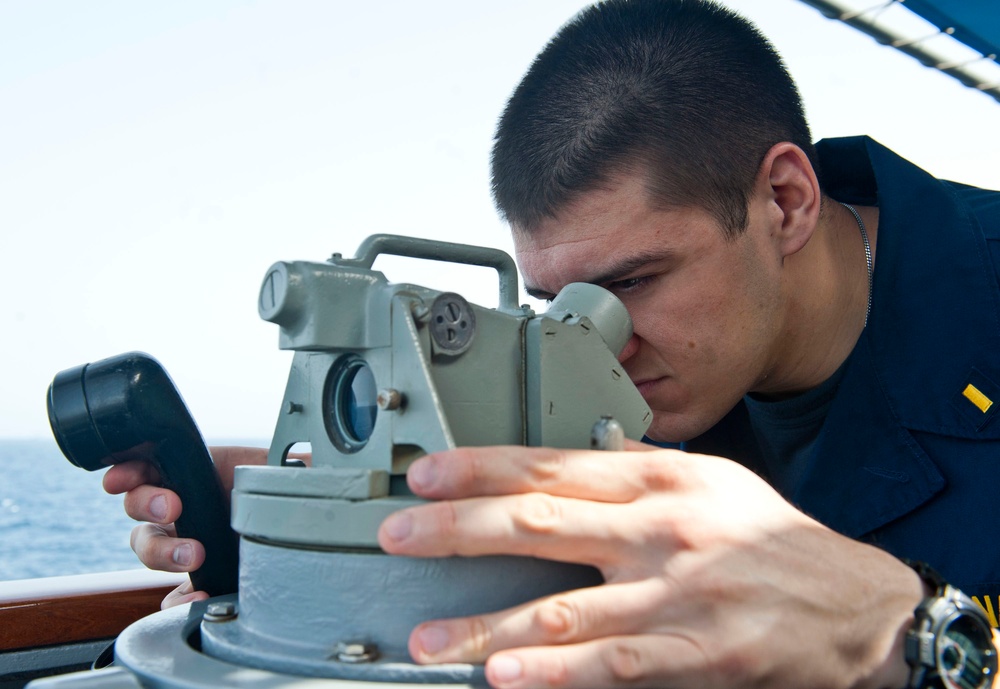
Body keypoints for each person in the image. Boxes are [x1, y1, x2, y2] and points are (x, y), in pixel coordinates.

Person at [104, 0, 1000, 687]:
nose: (597, 342)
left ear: (786, 202)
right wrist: (334, 511)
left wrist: (912, 634)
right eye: (556, 302)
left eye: (633, 283)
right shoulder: (598, 367)